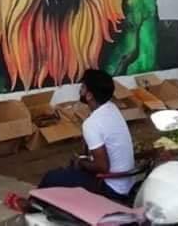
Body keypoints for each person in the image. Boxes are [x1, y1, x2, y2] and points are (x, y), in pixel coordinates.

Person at [38, 69, 135, 201]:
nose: (80, 90)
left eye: (83, 87)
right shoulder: (112, 108)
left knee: (50, 177)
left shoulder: (92, 124)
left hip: (112, 188)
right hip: (126, 183)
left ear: (89, 96)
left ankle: (32, 205)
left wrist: (82, 163)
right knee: (70, 170)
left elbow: (103, 167)